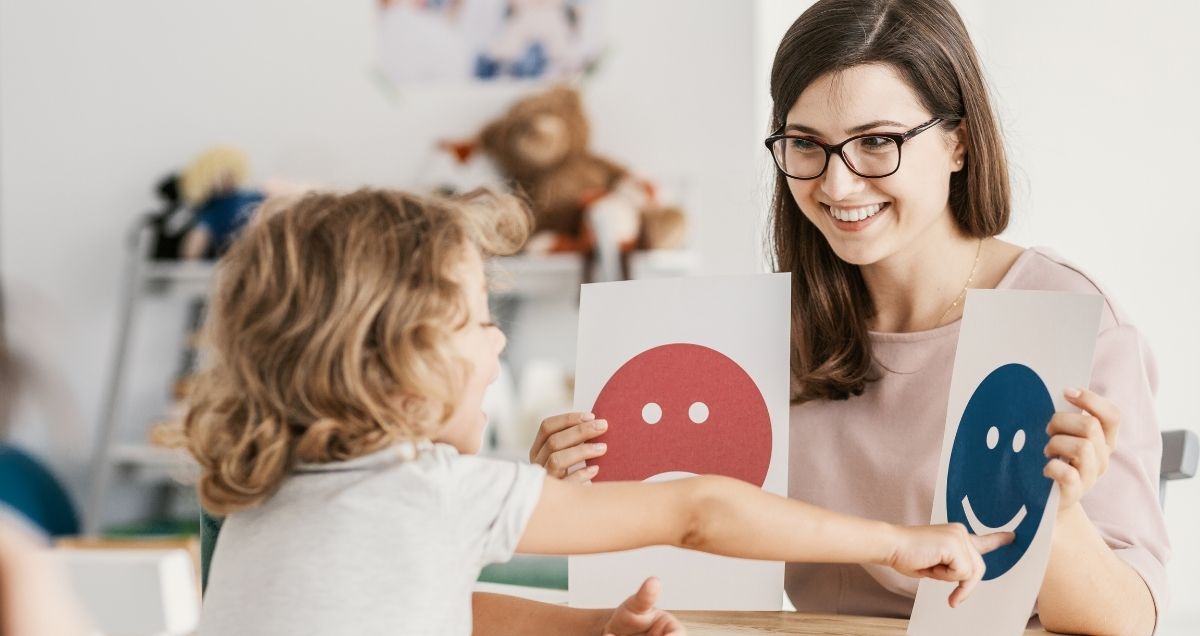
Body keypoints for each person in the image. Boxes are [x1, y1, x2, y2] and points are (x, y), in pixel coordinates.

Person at [528, 1, 1170, 634]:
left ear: (958, 143)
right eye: (807, 144)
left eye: (876, 142)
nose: (837, 185)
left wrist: (1056, 513)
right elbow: (689, 544)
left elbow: (1128, 620)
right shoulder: (758, 333)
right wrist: (581, 491)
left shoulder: (1066, 318)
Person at [186, 188, 1008, 635]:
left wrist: (591, 630)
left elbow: (433, 609)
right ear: (395, 364)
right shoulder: (434, 489)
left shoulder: (260, 495)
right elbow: (698, 508)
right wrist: (898, 541)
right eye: (478, 320)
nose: (499, 345)